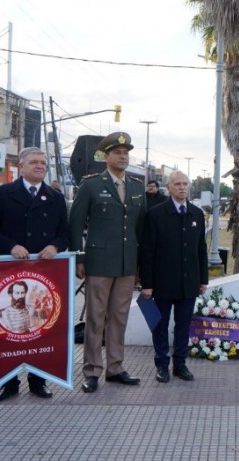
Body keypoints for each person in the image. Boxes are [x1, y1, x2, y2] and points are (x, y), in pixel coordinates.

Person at [0, 146, 69, 401]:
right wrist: (10, 246)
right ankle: (7, 382)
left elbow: (65, 233)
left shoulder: (56, 197)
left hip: (42, 275)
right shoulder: (1, 195)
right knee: (8, 329)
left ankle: (38, 380)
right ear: (22, 165)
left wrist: (55, 246)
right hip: (9, 273)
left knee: (39, 326)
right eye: (34, 162)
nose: (40, 166)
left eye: (43, 163)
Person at [69, 132, 146, 393]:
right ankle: (91, 370)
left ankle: (115, 367)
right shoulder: (91, 184)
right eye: (117, 152)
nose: (123, 157)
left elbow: (140, 227)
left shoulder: (136, 186)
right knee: (95, 318)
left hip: (126, 262)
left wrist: (140, 264)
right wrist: (78, 257)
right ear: (106, 156)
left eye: (126, 153)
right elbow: (76, 223)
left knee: (119, 318)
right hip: (99, 261)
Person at [139, 171, 208, 383]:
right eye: (177, 184)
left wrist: (203, 279)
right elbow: (147, 251)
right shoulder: (156, 214)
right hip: (162, 282)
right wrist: (147, 284)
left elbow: (201, 249)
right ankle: (162, 365)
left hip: (189, 282)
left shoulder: (196, 214)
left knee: (183, 324)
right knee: (160, 325)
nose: (182, 187)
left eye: (185, 184)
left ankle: (180, 364)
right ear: (168, 187)